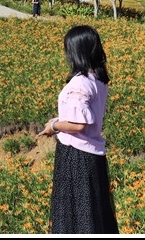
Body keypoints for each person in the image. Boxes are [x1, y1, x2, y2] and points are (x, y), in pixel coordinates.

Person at [37, 25, 118, 234]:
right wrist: (60, 119)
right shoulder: (98, 80)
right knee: (93, 212)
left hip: (76, 155)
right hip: (93, 154)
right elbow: (82, 116)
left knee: (75, 214)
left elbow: (79, 124)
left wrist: (53, 126)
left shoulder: (79, 83)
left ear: (76, 51)